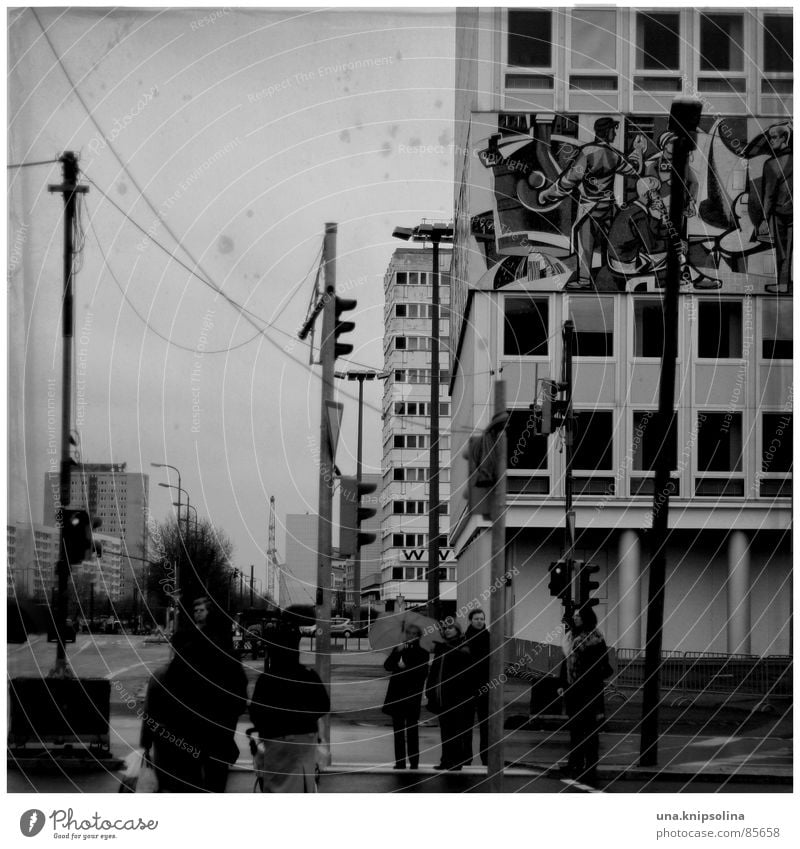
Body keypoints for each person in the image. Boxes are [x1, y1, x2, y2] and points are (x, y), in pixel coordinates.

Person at [539, 117, 646, 288]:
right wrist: (638, 150)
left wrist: (548, 194)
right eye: (614, 129)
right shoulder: (613, 154)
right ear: (608, 131)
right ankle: (606, 280)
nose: (615, 133)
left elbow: (569, 180)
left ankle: (584, 280)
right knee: (608, 246)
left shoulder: (587, 152)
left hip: (589, 209)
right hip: (608, 208)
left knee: (585, 246)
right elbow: (634, 168)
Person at [166, 596, 248, 792]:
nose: (198, 613)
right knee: (215, 781)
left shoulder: (189, 646)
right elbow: (239, 690)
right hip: (217, 728)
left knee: (192, 781)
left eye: (201, 610)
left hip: (193, 728)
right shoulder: (224, 648)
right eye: (196, 610)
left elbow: (172, 684)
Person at [249, 620, 330, 792]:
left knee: (276, 785)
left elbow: (255, 713)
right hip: (304, 739)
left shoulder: (266, 679)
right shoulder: (308, 675)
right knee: (302, 784)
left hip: (275, 741)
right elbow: (323, 705)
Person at [558, 606, 613, 786]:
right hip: (574, 690)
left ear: (586, 618)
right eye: (574, 616)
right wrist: (562, 684)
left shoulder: (595, 639)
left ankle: (589, 765)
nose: (575, 618)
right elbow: (566, 663)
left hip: (589, 690)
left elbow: (601, 665)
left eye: (578, 616)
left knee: (589, 730)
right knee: (576, 729)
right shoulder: (571, 637)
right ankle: (575, 763)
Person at [426, 621, 473, 770]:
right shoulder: (442, 648)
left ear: (458, 630)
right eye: (445, 628)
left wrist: (445, 647)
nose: (447, 630)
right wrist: (430, 690)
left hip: (457, 696)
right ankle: (445, 760)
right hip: (442, 696)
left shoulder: (463, 645)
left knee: (456, 729)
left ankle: (457, 761)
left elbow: (464, 662)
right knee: (445, 729)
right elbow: (434, 671)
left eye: (450, 628)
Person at [382, 623, 430, 770]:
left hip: (411, 697)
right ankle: (400, 761)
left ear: (418, 636)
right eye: (408, 633)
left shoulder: (422, 652)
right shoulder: (399, 649)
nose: (410, 636)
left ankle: (414, 761)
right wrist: (397, 655)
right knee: (398, 731)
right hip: (396, 696)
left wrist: (404, 668)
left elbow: (421, 673)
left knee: (412, 730)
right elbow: (387, 666)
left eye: (413, 634)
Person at [757, 124, 792, 294]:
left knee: (783, 250)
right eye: (770, 138)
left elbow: (768, 195)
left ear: (784, 138)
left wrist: (764, 219)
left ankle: (783, 285)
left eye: (774, 137)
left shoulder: (771, 164)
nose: (771, 141)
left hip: (782, 214)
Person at [463, 609, 490, 767]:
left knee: (485, 724)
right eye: (476, 618)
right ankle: (466, 757)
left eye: (482, 618)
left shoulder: (489, 637)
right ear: (470, 620)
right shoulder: (465, 638)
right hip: (467, 686)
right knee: (466, 724)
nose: (480, 621)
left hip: (485, 686)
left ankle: (486, 757)